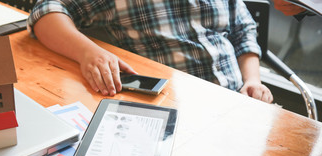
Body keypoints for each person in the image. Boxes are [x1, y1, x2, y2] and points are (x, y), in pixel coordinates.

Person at [27, 0, 273, 103]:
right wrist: (88, 52)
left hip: (238, 100)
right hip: (173, 111)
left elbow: (243, 29)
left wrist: (253, 80)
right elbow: (44, 12)